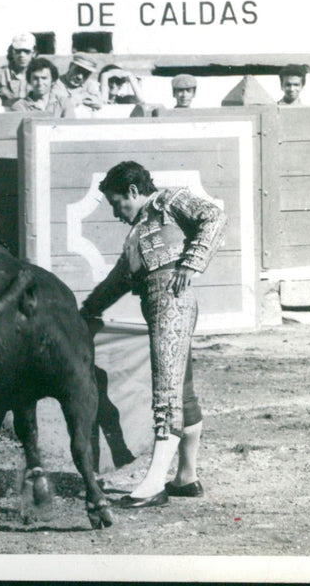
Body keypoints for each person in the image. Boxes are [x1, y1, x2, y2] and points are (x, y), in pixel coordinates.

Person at [79, 161, 228, 508]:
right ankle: (186, 477)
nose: (117, 212)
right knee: (181, 392)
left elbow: (214, 216)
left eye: (118, 203)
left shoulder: (168, 201)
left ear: (133, 191)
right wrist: (87, 311)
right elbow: (118, 279)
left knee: (166, 393)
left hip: (171, 302)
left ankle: (153, 484)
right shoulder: (139, 231)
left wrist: (191, 262)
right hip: (161, 304)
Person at [10, 57, 75, 117]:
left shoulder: (64, 103)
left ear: (52, 80)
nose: (40, 83)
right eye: (35, 78)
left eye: (44, 78)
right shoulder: (20, 107)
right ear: (29, 81)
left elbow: (70, 127)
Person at [0, 33, 37, 108]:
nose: (22, 55)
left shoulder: (40, 74)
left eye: (26, 51)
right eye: (18, 51)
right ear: (12, 52)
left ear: (34, 53)